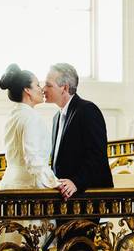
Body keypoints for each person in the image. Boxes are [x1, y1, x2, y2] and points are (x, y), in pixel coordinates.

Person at [43, 62, 113, 199]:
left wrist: (76, 182)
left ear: (64, 88)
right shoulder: (56, 118)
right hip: (65, 199)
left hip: (88, 197)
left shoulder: (87, 110)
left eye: (48, 85)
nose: (43, 89)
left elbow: (97, 156)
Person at [0, 64, 60, 190]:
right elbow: (33, 159)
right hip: (27, 188)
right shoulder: (31, 118)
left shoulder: (13, 115)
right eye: (37, 85)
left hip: (8, 184)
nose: (41, 89)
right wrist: (55, 183)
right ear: (27, 90)